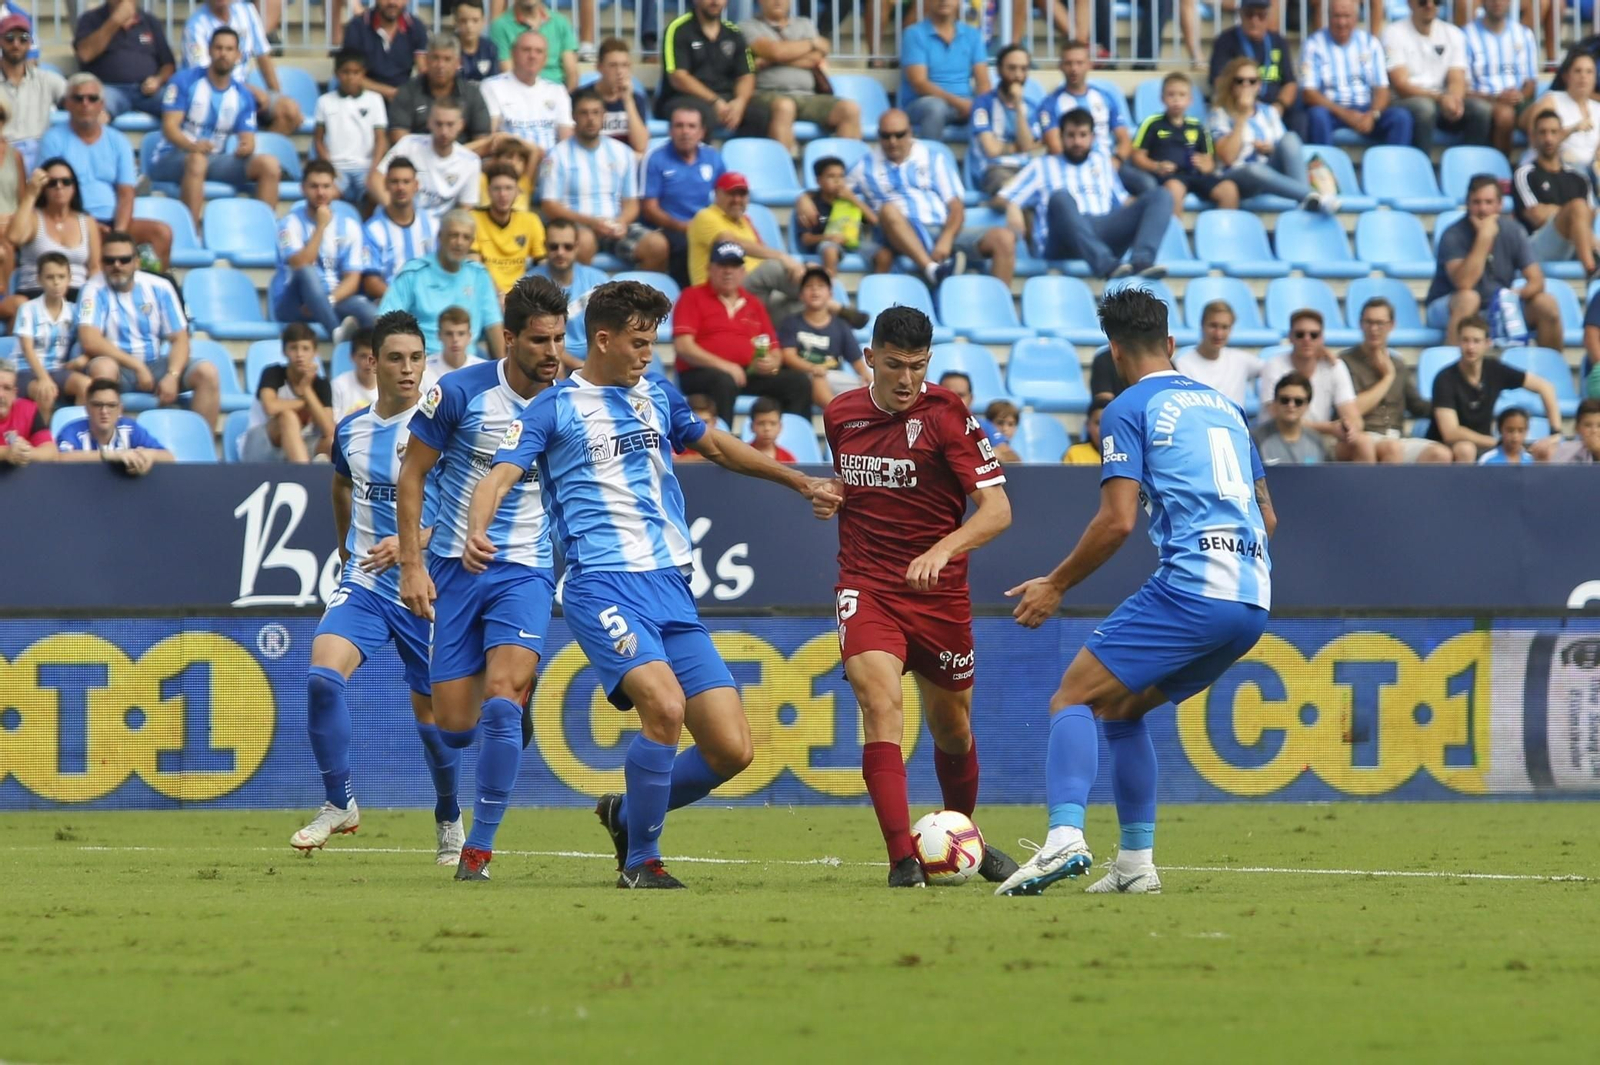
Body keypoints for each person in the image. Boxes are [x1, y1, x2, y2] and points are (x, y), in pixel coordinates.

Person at [475, 279, 838, 888]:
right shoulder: (555, 407)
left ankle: (626, 814)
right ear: (603, 339)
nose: (649, 353)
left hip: (671, 590)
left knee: (732, 749)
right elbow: (501, 473)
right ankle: (641, 862)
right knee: (665, 708)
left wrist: (798, 481)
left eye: (654, 341)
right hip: (602, 588)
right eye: (639, 342)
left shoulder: (656, 396)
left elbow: (716, 445)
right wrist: (476, 529)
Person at [998, 287, 1276, 897]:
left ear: (1116, 351)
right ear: (1172, 344)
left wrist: (1055, 584)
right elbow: (1267, 516)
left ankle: (1064, 839)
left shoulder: (1129, 407)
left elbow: (1117, 520)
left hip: (1196, 586)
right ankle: (1134, 866)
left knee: (1070, 697)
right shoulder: (1228, 408)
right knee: (1122, 710)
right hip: (1254, 596)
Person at [807, 303, 1017, 888]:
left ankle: (959, 837)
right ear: (869, 358)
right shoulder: (841, 414)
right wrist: (835, 496)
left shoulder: (949, 414)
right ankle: (903, 861)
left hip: (940, 595)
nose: (906, 380)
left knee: (953, 728)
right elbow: (859, 482)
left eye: (918, 367)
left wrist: (942, 550)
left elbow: (998, 511)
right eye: (895, 365)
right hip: (867, 585)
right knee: (882, 708)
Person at [396, 276, 565, 882]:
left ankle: (479, 850)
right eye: (540, 341)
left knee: (499, 699)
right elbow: (413, 476)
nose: (552, 353)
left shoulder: (569, 400)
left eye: (560, 340)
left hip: (526, 567)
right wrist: (413, 566)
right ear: (510, 337)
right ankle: (515, 697)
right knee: (456, 728)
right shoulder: (460, 393)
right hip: (452, 568)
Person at [292, 309, 464, 863]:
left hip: (427, 588)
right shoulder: (352, 429)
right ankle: (339, 801)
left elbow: (469, 505)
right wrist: (347, 549)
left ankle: (448, 815)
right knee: (322, 677)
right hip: (366, 584)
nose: (409, 369)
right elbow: (340, 484)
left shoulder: (445, 427)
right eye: (396, 358)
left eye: (417, 358)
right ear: (373, 362)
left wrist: (412, 541)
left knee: (433, 720)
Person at [996, 108, 1172, 280]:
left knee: (1161, 195)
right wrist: (1012, 205)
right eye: (1071, 135)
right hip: (1062, 240)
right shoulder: (1041, 166)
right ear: (1061, 137)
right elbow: (1000, 198)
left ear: (1092, 137)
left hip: (1103, 229)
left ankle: (1142, 261)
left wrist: (1148, 209)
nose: (1077, 142)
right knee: (1060, 198)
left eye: (1082, 135)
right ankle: (1105, 265)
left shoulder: (1102, 163)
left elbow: (1124, 201)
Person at [851, 110, 1017, 288]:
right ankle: (931, 269)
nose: (893, 142)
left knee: (1004, 238)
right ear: (878, 136)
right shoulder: (864, 166)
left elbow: (956, 206)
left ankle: (999, 309)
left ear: (910, 133)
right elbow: (834, 188)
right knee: (888, 210)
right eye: (886, 136)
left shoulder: (933, 159)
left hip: (939, 229)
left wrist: (945, 239)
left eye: (899, 135)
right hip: (898, 233)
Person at [77, 231, 218, 427]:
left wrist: (172, 375)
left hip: (154, 364)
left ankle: (204, 449)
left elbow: (180, 338)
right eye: (110, 260)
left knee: (207, 372)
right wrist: (136, 366)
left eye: (124, 260)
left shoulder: (160, 286)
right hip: (118, 366)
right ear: (102, 263)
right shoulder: (92, 288)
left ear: (137, 262)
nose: (117, 266)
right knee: (103, 368)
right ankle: (108, 445)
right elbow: (90, 340)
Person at [149, 28, 282, 229]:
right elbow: (170, 127)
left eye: (229, 49)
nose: (223, 53)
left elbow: (248, 138)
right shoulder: (184, 81)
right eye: (218, 48)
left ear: (238, 55)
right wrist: (192, 145)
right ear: (209, 51)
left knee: (269, 165)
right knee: (197, 161)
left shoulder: (243, 95)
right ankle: (190, 234)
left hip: (215, 160)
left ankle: (263, 234)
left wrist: (245, 147)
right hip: (172, 158)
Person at [37, 73, 172, 265]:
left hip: (113, 220)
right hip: (71, 220)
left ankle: (151, 288)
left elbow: (126, 193)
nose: (86, 104)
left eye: (92, 99)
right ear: (67, 104)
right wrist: (88, 225)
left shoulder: (118, 141)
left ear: (101, 104)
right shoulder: (53, 139)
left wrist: (119, 233)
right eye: (78, 98)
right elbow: (50, 191)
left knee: (161, 233)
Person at [673, 241, 812, 426]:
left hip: (746, 373)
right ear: (709, 268)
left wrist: (771, 363)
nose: (728, 271)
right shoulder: (691, 296)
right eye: (722, 265)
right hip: (701, 373)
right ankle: (724, 448)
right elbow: (684, 347)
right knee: (724, 381)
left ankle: (791, 447)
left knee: (798, 382)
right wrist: (725, 366)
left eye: (734, 266)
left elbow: (774, 348)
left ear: (743, 272)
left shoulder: (753, 303)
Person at [1426, 175, 1561, 348]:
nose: (1482, 209)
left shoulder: (1513, 230)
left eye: (1489, 202)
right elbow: (1464, 283)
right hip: (1448, 305)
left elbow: (1536, 281)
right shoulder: (1453, 234)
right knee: (1469, 298)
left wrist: (1512, 297)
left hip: (1498, 306)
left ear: (1500, 205)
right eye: (1476, 202)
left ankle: (1552, 368)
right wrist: (1484, 238)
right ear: (1467, 204)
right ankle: (1454, 367)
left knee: (1546, 303)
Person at [539, 89, 664, 271]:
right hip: (576, 226)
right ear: (573, 116)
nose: (590, 119)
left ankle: (639, 297)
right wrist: (592, 222)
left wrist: (620, 223)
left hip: (614, 226)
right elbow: (549, 206)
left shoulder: (623, 152)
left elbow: (631, 203)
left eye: (596, 113)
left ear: (604, 116)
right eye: (584, 113)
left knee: (657, 245)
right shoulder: (556, 155)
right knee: (584, 241)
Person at [1426, 314, 1562, 462]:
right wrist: (1497, 442)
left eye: (1476, 341)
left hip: (1485, 444)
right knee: (1466, 448)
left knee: (1545, 451)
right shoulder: (1445, 378)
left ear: (1487, 343)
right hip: (1447, 447)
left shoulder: (1494, 369)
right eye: (1465, 340)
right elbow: (1451, 432)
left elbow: (1545, 387)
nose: (1470, 347)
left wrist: (1555, 433)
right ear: (1458, 342)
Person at [379, 210, 504, 359]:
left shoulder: (479, 275)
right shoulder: (414, 274)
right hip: (423, 363)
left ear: (471, 243)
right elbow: (384, 320)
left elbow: (493, 325)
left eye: (466, 237)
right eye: (453, 235)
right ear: (440, 237)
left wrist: (503, 369)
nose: (459, 242)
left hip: (466, 363)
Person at [272, 161, 375, 343]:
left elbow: (352, 278)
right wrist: (320, 226)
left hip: (332, 300)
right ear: (302, 188)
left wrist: (327, 301)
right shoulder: (288, 224)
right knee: (306, 271)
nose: (320, 192)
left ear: (334, 188)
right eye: (314, 186)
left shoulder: (350, 226)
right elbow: (300, 265)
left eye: (326, 186)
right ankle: (337, 332)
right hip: (294, 304)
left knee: (367, 311)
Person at [741, 0, 861, 153]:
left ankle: (842, 172)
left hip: (808, 96)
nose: (778, 1)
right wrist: (811, 43)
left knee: (850, 109)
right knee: (785, 107)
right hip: (768, 94)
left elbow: (816, 58)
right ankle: (784, 172)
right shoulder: (747, 26)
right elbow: (776, 52)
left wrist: (773, 61)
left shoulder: (805, 24)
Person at [1340, 296, 1450, 463]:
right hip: (1364, 436)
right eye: (1368, 322)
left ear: (1391, 326)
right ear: (1361, 324)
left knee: (1440, 454)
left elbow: (1418, 406)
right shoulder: (1346, 362)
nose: (1374, 329)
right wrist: (1387, 378)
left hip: (1396, 436)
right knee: (1392, 448)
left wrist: (1449, 406)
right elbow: (1353, 409)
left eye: (1380, 323)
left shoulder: (1398, 363)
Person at [1210, 57, 1327, 211]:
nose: (1246, 85)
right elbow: (1228, 157)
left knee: (1291, 137)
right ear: (1232, 85)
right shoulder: (1220, 114)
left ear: (1259, 86)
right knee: (1254, 169)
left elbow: (1285, 151)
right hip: (1238, 176)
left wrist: (1270, 149)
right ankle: (1313, 196)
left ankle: (1306, 201)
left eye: (1252, 81)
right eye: (1240, 81)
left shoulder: (1269, 112)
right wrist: (1242, 116)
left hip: (1272, 174)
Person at [1039, 38, 1152, 195]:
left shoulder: (1105, 97)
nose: (1074, 69)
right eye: (1069, 63)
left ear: (1089, 65)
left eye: (1079, 63)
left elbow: (1125, 140)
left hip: (1109, 164)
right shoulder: (1050, 104)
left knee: (1148, 185)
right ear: (1060, 66)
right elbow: (1055, 147)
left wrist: (1117, 160)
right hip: (1072, 167)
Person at [1258, 309, 1371, 461]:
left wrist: (1349, 428)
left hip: (1320, 439)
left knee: (1363, 443)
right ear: (1290, 337)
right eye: (1300, 334)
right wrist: (1330, 428)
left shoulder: (1334, 366)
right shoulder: (1274, 364)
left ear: (1322, 338)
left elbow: (1354, 418)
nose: (1307, 339)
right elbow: (1280, 415)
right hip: (1277, 436)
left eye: (1314, 335)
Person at [1301, 0, 1413, 147]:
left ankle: (1393, 168)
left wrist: (1373, 115)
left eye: (1347, 16)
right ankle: (1324, 168)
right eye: (1337, 16)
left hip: (1365, 110)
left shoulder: (1371, 43)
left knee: (1401, 118)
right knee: (1317, 115)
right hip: (1332, 111)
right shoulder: (1313, 44)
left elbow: (1382, 89)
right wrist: (1345, 114)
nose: (1342, 22)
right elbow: (1309, 93)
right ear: (1328, 17)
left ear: (1355, 17)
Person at [181, 0, 302, 135]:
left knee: (290, 112)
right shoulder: (196, 25)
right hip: (209, 94)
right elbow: (207, 75)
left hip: (243, 91)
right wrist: (253, 91)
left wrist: (277, 96)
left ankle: (259, 150)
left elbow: (263, 55)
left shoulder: (247, 11)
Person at [5, 158, 99, 323]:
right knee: (23, 312)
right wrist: (30, 194)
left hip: (77, 294)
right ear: (44, 187)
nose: (59, 186)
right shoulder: (34, 217)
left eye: (66, 181)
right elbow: (14, 237)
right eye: (52, 182)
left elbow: (94, 267)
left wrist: (95, 297)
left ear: (74, 186)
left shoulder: (87, 221)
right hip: (35, 292)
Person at [1383, 0, 1485, 152]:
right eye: (1423, 1)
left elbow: (1457, 78)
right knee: (1425, 108)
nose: (1429, 5)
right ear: (1410, 3)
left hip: (1441, 101)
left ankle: (1471, 169)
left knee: (1480, 110)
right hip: (1407, 101)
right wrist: (1440, 98)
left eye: (1436, 1)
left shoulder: (1454, 33)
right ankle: (1422, 168)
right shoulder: (1392, 33)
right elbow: (1401, 85)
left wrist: (1454, 100)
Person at [1132, 72, 1240, 215]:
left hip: (1196, 175)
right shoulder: (1151, 124)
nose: (1176, 100)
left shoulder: (1198, 126)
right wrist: (1156, 166)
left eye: (1182, 95)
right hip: (1169, 177)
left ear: (1190, 100)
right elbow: (1137, 156)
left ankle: (1224, 235)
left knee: (1229, 189)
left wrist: (1206, 166)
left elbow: (1209, 161)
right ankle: (1175, 235)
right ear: (1162, 98)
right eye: (1171, 95)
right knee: (1174, 189)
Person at [643, 105, 724, 287]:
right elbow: (649, 208)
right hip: (669, 227)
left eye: (691, 126)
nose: (685, 131)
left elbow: (724, 196)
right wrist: (681, 226)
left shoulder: (713, 157)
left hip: (705, 224)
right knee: (686, 246)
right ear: (670, 131)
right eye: (679, 126)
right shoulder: (656, 158)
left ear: (701, 131)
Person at [656, 0, 763, 137]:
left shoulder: (734, 33)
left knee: (760, 113)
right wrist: (714, 101)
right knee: (700, 115)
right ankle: (702, 159)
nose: (715, 1)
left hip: (726, 99)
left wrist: (740, 102)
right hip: (683, 98)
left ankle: (744, 158)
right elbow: (678, 77)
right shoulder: (677, 29)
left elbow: (746, 76)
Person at [1514, 110, 1599, 276]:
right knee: (1577, 207)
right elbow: (1537, 217)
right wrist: (1572, 214)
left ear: (1562, 135)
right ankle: (1592, 270)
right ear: (1533, 137)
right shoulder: (1525, 173)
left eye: (1554, 132)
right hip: (1537, 246)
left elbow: (1591, 216)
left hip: (1576, 242)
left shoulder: (1578, 177)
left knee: (1579, 211)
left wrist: (1567, 214)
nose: (1548, 138)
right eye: (1542, 132)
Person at [371, 102, 482, 223]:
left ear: (461, 125)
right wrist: (397, 212)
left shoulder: (471, 162)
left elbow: (465, 208)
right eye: (439, 124)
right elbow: (375, 179)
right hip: (394, 219)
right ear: (429, 122)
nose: (444, 131)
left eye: (450, 124)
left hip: (436, 233)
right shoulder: (408, 144)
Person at [1209, 0, 1305, 139]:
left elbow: (1290, 83)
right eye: (1249, 15)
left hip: (1273, 108)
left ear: (1268, 16)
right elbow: (1219, 81)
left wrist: (1279, 106)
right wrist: (1245, 103)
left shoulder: (1278, 41)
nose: (1255, 20)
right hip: (1240, 107)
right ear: (1240, 14)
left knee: (1300, 116)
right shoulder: (1226, 41)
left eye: (1261, 15)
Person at [477, 30, 570, 173]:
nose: (532, 56)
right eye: (526, 50)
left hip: (550, 169)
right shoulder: (492, 86)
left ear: (545, 58)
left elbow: (566, 140)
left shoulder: (557, 90)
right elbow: (492, 137)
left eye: (538, 51)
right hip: (510, 170)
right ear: (513, 54)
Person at [242, 323, 336, 463]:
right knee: (287, 417)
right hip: (261, 445)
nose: (299, 355)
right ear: (284, 351)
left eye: (305, 349)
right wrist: (304, 402)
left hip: (302, 444)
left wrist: (307, 390)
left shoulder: (321, 384)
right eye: (293, 348)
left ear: (315, 353)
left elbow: (329, 430)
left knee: (332, 444)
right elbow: (271, 407)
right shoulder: (273, 373)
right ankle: (304, 476)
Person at [384, 34, 493, 155]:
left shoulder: (472, 93)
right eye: (435, 58)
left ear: (458, 63)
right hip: (416, 163)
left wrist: (450, 157)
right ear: (426, 60)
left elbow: (483, 141)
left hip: (462, 163)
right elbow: (399, 139)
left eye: (447, 59)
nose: (441, 65)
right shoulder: (407, 91)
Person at [778, 265, 869, 410]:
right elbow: (788, 356)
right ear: (801, 295)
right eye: (809, 286)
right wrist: (812, 368)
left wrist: (867, 377)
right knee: (817, 376)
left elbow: (856, 360)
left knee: (867, 388)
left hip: (833, 377)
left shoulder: (840, 325)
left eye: (820, 286)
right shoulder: (791, 322)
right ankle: (837, 415)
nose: (815, 290)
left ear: (830, 294)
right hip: (803, 377)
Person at [900, 0, 990, 143]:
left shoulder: (972, 35)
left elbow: (983, 82)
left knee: (993, 106)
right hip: (922, 104)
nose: (944, 1)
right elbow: (919, 83)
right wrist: (960, 103)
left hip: (963, 106)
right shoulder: (914, 34)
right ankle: (930, 161)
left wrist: (980, 105)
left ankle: (988, 162)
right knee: (936, 108)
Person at [73, 0, 175, 120]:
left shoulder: (150, 21)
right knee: (93, 108)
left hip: (147, 92)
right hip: (109, 88)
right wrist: (115, 20)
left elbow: (168, 64)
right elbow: (85, 54)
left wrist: (158, 80)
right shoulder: (90, 19)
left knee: (177, 105)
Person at [314, 50, 388, 206]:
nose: (351, 77)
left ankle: (366, 227)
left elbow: (380, 138)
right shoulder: (325, 101)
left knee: (377, 194)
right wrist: (329, 168)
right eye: (345, 72)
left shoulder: (375, 100)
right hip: (337, 167)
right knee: (326, 195)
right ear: (336, 74)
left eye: (356, 72)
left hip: (366, 166)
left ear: (363, 74)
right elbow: (319, 140)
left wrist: (374, 169)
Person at [54, 376, 172, 474]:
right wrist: (110, 456)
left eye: (111, 405)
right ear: (87, 408)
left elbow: (168, 457)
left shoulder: (130, 429)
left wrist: (148, 456)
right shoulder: (72, 431)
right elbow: (60, 458)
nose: (104, 411)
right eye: (97, 405)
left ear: (120, 409)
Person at [1465, 0, 1539, 154]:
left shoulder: (1524, 34)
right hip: (1485, 99)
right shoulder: (1466, 35)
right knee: (1505, 115)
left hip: (1519, 100)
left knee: (1545, 116)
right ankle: (1503, 173)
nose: (1497, 2)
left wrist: (1520, 95)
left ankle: (1538, 170)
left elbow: (1531, 81)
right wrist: (1497, 98)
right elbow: (1464, 89)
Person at [528, 216, 606, 363]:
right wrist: (581, 368)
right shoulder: (530, 284)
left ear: (577, 247)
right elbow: (536, 340)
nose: (560, 252)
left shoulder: (598, 280)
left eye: (567, 247)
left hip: (595, 355)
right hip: (550, 357)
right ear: (545, 246)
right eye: (554, 246)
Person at [12, 251, 79, 418]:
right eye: (50, 277)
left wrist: (81, 360)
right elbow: (27, 349)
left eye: (61, 276)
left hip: (57, 369)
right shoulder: (28, 309)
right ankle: (44, 440)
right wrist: (44, 378)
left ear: (69, 279)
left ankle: (77, 438)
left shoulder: (74, 310)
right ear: (39, 279)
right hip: (25, 370)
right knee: (46, 393)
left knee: (86, 386)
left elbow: (84, 340)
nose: (56, 282)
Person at [969, 44, 1041, 197]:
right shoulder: (982, 104)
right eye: (1012, 68)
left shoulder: (1031, 107)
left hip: (1026, 168)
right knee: (1016, 192)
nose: (1018, 75)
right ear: (999, 70)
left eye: (1023, 69)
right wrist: (1019, 147)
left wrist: (1018, 105)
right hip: (994, 170)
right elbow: (992, 150)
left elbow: (1027, 145)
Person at [361, 157, 438, 302]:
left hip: (430, 300)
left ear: (416, 185)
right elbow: (371, 283)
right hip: (392, 302)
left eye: (406, 182)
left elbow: (443, 270)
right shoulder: (372, 230)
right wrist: (403, 299)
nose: (400, 187)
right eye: (394, 182)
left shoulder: (434, 225)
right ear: (386, 185)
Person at [1522, 52, 1600, 186]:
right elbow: (1535, 141)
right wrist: (1573, 129)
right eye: (1578, 71)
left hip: (1588, 172)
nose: (1583, 76)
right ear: (1566, 76)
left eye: (1589, 72)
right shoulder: (1551, 101)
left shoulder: (1597, 109)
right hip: (1551, 169)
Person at [470, 161, 545, 296]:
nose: (503, 194)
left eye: (508, 188)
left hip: (522, 295)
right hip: (484, 292)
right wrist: (499, 294)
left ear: (517, 191)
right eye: (497, 188)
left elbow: (543, 264)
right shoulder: (473, 219)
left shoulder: (530, 220)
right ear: (488, 191)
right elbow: (474, 265)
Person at [0, 14, 63, 174]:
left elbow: (79, 96)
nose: (16, 44)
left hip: (39, 154)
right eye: (9, 38)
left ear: (30, 43)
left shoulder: (47, 79)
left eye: (23, 38)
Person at [793, 154, 872, 276]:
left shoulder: (849, 200)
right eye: (831, 176)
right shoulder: (810, 206)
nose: (837, 181)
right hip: (827, 244)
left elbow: (874, 221)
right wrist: (829, 237)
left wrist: (853, 199)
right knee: (830, 249)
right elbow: (806, 239)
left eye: (841, 176)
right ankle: (831, 283)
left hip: (853, 244)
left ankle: (876, 285)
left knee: (884, 254)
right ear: (818, 181)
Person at [1175, 300, 1258, 407]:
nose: (1218, 334)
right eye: (1213, 326)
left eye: (1225, 327)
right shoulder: (1182, 364)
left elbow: (1275, 369)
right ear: (1202, 325)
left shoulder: (1241, 360)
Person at [343, 0, 428, 102]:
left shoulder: (416, 27)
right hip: (364, 97)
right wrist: (389, 92)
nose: (392, 2)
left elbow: (423, 70)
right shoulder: (357, 27)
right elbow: (351, 76)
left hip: (403, 101)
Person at [490, 0, 577, 90]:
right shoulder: (500, 26)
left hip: (557, 93)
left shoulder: (561, 22)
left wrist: (565, 99)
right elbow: (508, 74)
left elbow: (572, 73)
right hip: (519, 93)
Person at [1252, 371, 1328, 465]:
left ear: (1307, 405)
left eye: (1298, 401)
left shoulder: (1317, 442)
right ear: (1275, 402)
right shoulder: (1255, 440)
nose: (1291, 405)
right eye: (1285, 400)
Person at [593, 36, 650, 156]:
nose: (619, 71)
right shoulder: (584, 98)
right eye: (613, 65)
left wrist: (628, 101)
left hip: (624, 160)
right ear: (599, 67)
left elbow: (641, 146)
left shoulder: (636, 99)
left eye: (624, 65)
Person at [0, 355, 54, 467]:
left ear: (15, 393)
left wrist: (26, 453)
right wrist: (6, 453)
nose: (1, 395)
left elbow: (51, 452)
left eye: (7, 388)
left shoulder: (28, 410)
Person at [422, 306, 488, 391]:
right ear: (439, 335)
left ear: (469, 336)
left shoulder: (483, 371)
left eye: (461, 333)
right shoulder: (424, 369)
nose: (455, 339)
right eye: (449, 334)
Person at [331, 327, 376, 417]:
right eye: (363, 356)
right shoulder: (338, 386)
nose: (368, 362)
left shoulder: (389, 387)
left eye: (373, 357)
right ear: (352, 357)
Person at [453, 0, 498, 83]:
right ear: (455, 21)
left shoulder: (490, 49)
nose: (469, 26)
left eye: (475, 20)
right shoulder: (448, 49)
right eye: (463, 21)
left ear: (483, 21)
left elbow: (494, 83)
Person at [746, 395, 795, 462]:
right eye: (761, 423)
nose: (767, 429)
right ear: (751, 427)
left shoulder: (788, 458)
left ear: (780, 427)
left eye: (773, 423)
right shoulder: (742, 455)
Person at [1551, 399, 1600, 463]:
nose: (1594, 431)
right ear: (1577, 428)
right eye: (1588, 425)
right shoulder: (1565, 451)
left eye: (1599, 426)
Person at [1063, 395, 1107, 464]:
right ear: (1087, 425)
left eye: (1108, 423)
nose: (1103, 429)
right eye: (1098, 423)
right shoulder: (1075, 453)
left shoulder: (1126, 454)